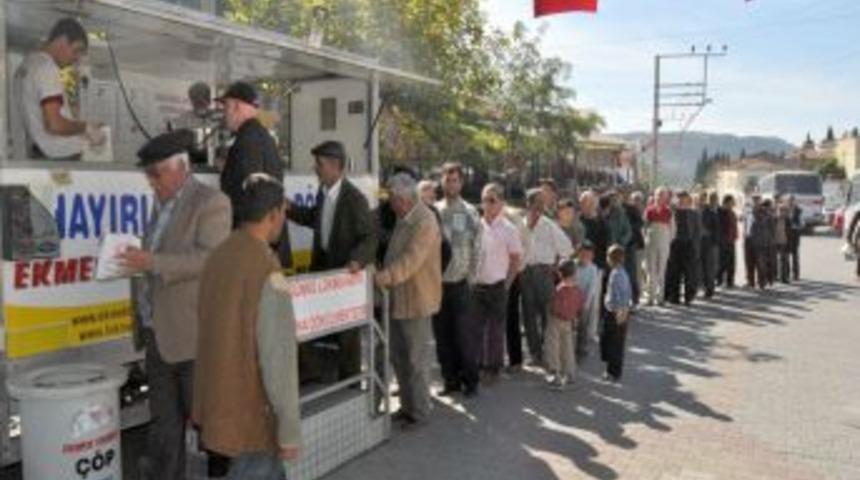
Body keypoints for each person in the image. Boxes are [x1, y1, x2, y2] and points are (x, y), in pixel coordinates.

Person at [120, 130, 232, 480]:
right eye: (149, 175)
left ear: (180, 168)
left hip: (193, 337)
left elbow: (210, 260)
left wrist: (151, 262)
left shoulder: (211, 202)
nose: (151, 182)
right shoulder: (160, 205)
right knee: (164, 426)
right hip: (157, 333)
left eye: (155, 174)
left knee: (209, 423)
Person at [194, 177, 300, 479]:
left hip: (216, 411)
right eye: (283, 213)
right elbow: (277, 360)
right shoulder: (266, 269)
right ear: (273, 214)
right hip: (251, 421)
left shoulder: (217, 257)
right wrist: (289, 431)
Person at [287, 140, 377, 382]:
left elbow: (369, 237)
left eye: (319, 164)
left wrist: (357, 260)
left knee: (347, 332)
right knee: (309, 321)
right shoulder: (322, 192)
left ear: (335, 165)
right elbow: (313, 218)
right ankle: (313, 371)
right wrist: (289, 208)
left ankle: (351, 381)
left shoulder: (354, 198)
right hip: (322, 268)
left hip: (345, 274)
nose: (315, 168)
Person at [374, 173, 442, 427]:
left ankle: (420, 411)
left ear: (403, 199)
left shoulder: (425, 220)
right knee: (400, 357)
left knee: (416, 360)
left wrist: (385, 276)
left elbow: (412, 260)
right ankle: (407, 407)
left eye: (392, 200)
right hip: (398, 298)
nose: (390, 205)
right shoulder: (404, 217)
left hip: (417, 300)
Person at [14, 17, 104, 160]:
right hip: (60, 157)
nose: (76, 58)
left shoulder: (26, 65)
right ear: (61, 40)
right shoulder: (48, 68)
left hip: (40, 153)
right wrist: (85, 127)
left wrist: (79, 128)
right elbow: (54, 125)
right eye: (76, 50)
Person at [433, 163, 482, 397]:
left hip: (461, 284)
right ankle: (450, 380)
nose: (450, 184)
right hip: (438, 285)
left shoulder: (470, 212)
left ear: (461, 183)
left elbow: (478, 248)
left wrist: (471, 279)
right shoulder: (434, 211)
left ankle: (470, 381)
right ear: (441, 182)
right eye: (447, 180)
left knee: (464, 337)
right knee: (443, 337)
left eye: (454, 180)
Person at [474, 183, 523, 383]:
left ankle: (493, 368)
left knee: (495, 331)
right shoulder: (475, 226)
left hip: (498, 286)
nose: (487, 204)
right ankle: (478, 366)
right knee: (476, 329)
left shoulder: (509, 229)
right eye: (484, 199)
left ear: (501, 203)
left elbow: (516, 260)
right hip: (477, 286)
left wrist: (506, 285)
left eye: (492, 200)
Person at [521, 188, 573, 365]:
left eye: (541, 203)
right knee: (528, 316)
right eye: (536, 202)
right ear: (528, 204)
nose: (539, 206)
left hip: (544, 273)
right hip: (525, 273)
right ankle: (534, 354)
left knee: (548, 316)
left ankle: (549, 354)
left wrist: (555, 266)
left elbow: (567, 248)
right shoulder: (520, 225)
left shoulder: (549, 225)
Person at [543, 259, 585, 390]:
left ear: (560, 274)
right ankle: (570, 374)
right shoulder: (578, 290)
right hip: (569, 321)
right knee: (568, 347)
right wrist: (575, 316)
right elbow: (580, 306)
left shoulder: (559, 290)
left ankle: (555, 373)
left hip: (556, 320)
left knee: (554, 346)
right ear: (575, 273)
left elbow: (554, 307)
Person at [600, 245, 633, 383]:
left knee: (612, 343)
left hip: (615, 312)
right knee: (617, 343)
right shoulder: (623, 273)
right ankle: (614, 371)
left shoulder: (615, 274)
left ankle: (612, 372)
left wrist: (619, 312)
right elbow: (628, 293)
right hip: (622, 311)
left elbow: (618, 295)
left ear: (610, 259)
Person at [665, 191, 701, 305]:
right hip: (675, 244)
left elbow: (697, 231)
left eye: (683, 198)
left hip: (689, 245)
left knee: (689, 272)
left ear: (688, 199)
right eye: (679, 198)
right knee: (674, 272)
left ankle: (688, 297)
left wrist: (696, 246)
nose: (681, 200)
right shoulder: (672, 212)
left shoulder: (694, 213)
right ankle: (674, 296)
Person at [168, 82, 214, 165]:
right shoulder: (181, 121)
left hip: (214, 166)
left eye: (204, 97)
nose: (200, 101)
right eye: (196, 98)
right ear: (192, 100)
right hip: (190, 165)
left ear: (209, 99)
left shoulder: (219, 119)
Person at [644, 187, 674, 306]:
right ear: (655, 196)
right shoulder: (649, 210)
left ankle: (660, 297)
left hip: (664, 243)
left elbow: (673, 229)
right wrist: (646, 239)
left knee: (661, 270)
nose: (660, 197)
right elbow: (644, 227)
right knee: (651, 270)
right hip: (651, 243)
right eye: (658, 195)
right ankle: (650, 297)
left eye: (662, 195)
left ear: (665, 197)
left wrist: (668, 241)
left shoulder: (669, 211)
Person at [574, 241, 601, 362]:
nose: (584, 257)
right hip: (572, 298)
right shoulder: (573, 265)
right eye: (582, 254)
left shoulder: (593, 269)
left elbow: (592, 288)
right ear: (578, 254)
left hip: (584, 300)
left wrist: (585, 304)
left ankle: (581, 348)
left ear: (592, 256)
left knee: (583, 325)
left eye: (587, 255)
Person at [623, 191, 646, 305]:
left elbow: (640, 224)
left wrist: (628, 229)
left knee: (633, 272)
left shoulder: (632, 209)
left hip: (632, 244)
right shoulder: (614, 209)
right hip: (620, 246)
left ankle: (635, 298)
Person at [699, 191, 721, 298]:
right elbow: (703, 227)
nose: (714, 201)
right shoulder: (706, 211)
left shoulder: (716, 211)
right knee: (707, 267)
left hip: (713, 243)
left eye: (715, 199)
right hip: (707, 243)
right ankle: (708, 289)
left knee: (711, 267)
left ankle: (709, 288)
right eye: (712, 199)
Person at [580, 190, 609, 271]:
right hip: (580, 264)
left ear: (594, 205)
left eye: (588, 204)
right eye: (582, 204)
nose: (585, 207)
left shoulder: (602, 222)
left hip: (598, 263)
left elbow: (606, 244)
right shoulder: (578, 221)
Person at [717, 195, 739, 288]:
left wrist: (735, 235)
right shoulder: (720, 212)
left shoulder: (732, 212)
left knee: (731, 262)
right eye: (732, 202)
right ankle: (719, 280)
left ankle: (730, 282)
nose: (733, 204)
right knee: (722, 262)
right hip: (723, 241)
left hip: (731, 241)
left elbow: (734, 225)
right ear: (727, 202)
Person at [774, 203, 792, 284]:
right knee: (774, 260)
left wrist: (790, 242)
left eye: (783, 210)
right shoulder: (774, 219)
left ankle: (783, 278)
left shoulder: (788, 220)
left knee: (783, 260)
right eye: (780, 210)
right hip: (775, 242)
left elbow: (790, 232)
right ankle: (774, 276)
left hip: (784, 242)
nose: (781, 212)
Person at [787, 195, 803, 281]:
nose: (790, 202)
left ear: (794, 201)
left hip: (795, 235)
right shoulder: (785, 210)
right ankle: (787, 274)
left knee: (795, 256)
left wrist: (795, 226)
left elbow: (801, 224)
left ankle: (796, 275)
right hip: (787, 236)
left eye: (792, 200)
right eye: (789, 201)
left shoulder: (798, 211)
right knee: (786, 256)